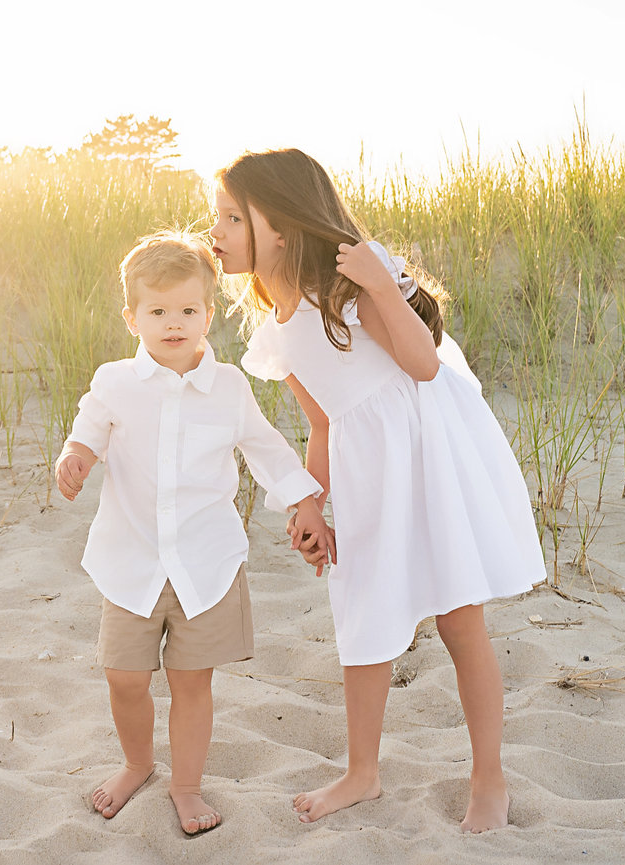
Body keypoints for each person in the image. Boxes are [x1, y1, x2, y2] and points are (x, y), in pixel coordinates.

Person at [209, 149, 545, 833]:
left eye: (232, 217)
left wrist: (381, 284)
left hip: (426, 457)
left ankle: (488, 776)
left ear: (282, 228)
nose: (214, 230)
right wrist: (309, 501)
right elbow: (323, 421)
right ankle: (362, 772)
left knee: (458, 619)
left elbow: (422, 365)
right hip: (368, 473)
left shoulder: (348, 287)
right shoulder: (277, 329)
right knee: (362, 615)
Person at [55, 230, 334, 836]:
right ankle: (137, 764)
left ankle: (185, 785)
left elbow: (266, 449)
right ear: (132, 318)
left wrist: (305, 501)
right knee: (124, 677)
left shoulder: (229, 386)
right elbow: (86, 433)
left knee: (191, 684)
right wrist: (74, 459)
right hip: (131, 562)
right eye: (157, 311)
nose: (173, 323)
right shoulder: (114, 382)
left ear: (209, 314)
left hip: (206, 564)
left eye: (187, 310)